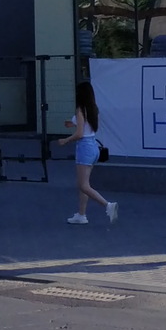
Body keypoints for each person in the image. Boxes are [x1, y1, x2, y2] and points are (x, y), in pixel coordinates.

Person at [61, 81, 118, 224]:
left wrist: (65, 140)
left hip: (84, 148)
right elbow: (85, 126)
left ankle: (108, 205)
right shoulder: (92, 108)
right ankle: (82, 214)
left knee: (83, 185)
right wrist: (72, 122)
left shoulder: (80, 109)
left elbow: (80, 133)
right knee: (84, 183)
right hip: (93, 147)